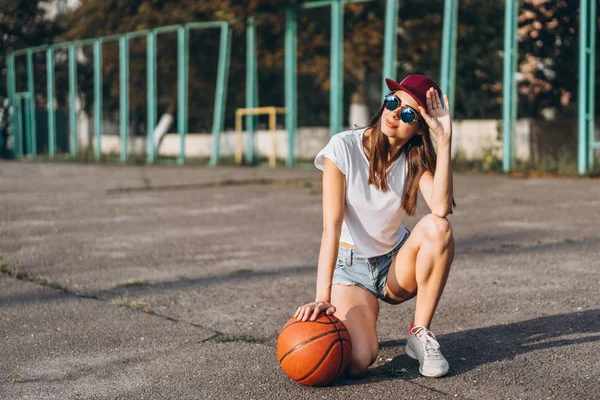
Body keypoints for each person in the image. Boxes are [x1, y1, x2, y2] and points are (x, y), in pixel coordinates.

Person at [294, 74, 455, 379]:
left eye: (408, 113)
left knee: (438, 227)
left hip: (394, 266)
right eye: (392, 102)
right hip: (350, 269)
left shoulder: (413, 159)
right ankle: (363, 313)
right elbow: (331, 227)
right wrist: (322, 297)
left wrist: (445, 140)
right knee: (357, 361)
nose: (395, 113)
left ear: (419, 129)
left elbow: (441, 208)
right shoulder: (343, 147)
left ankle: (419, 333)